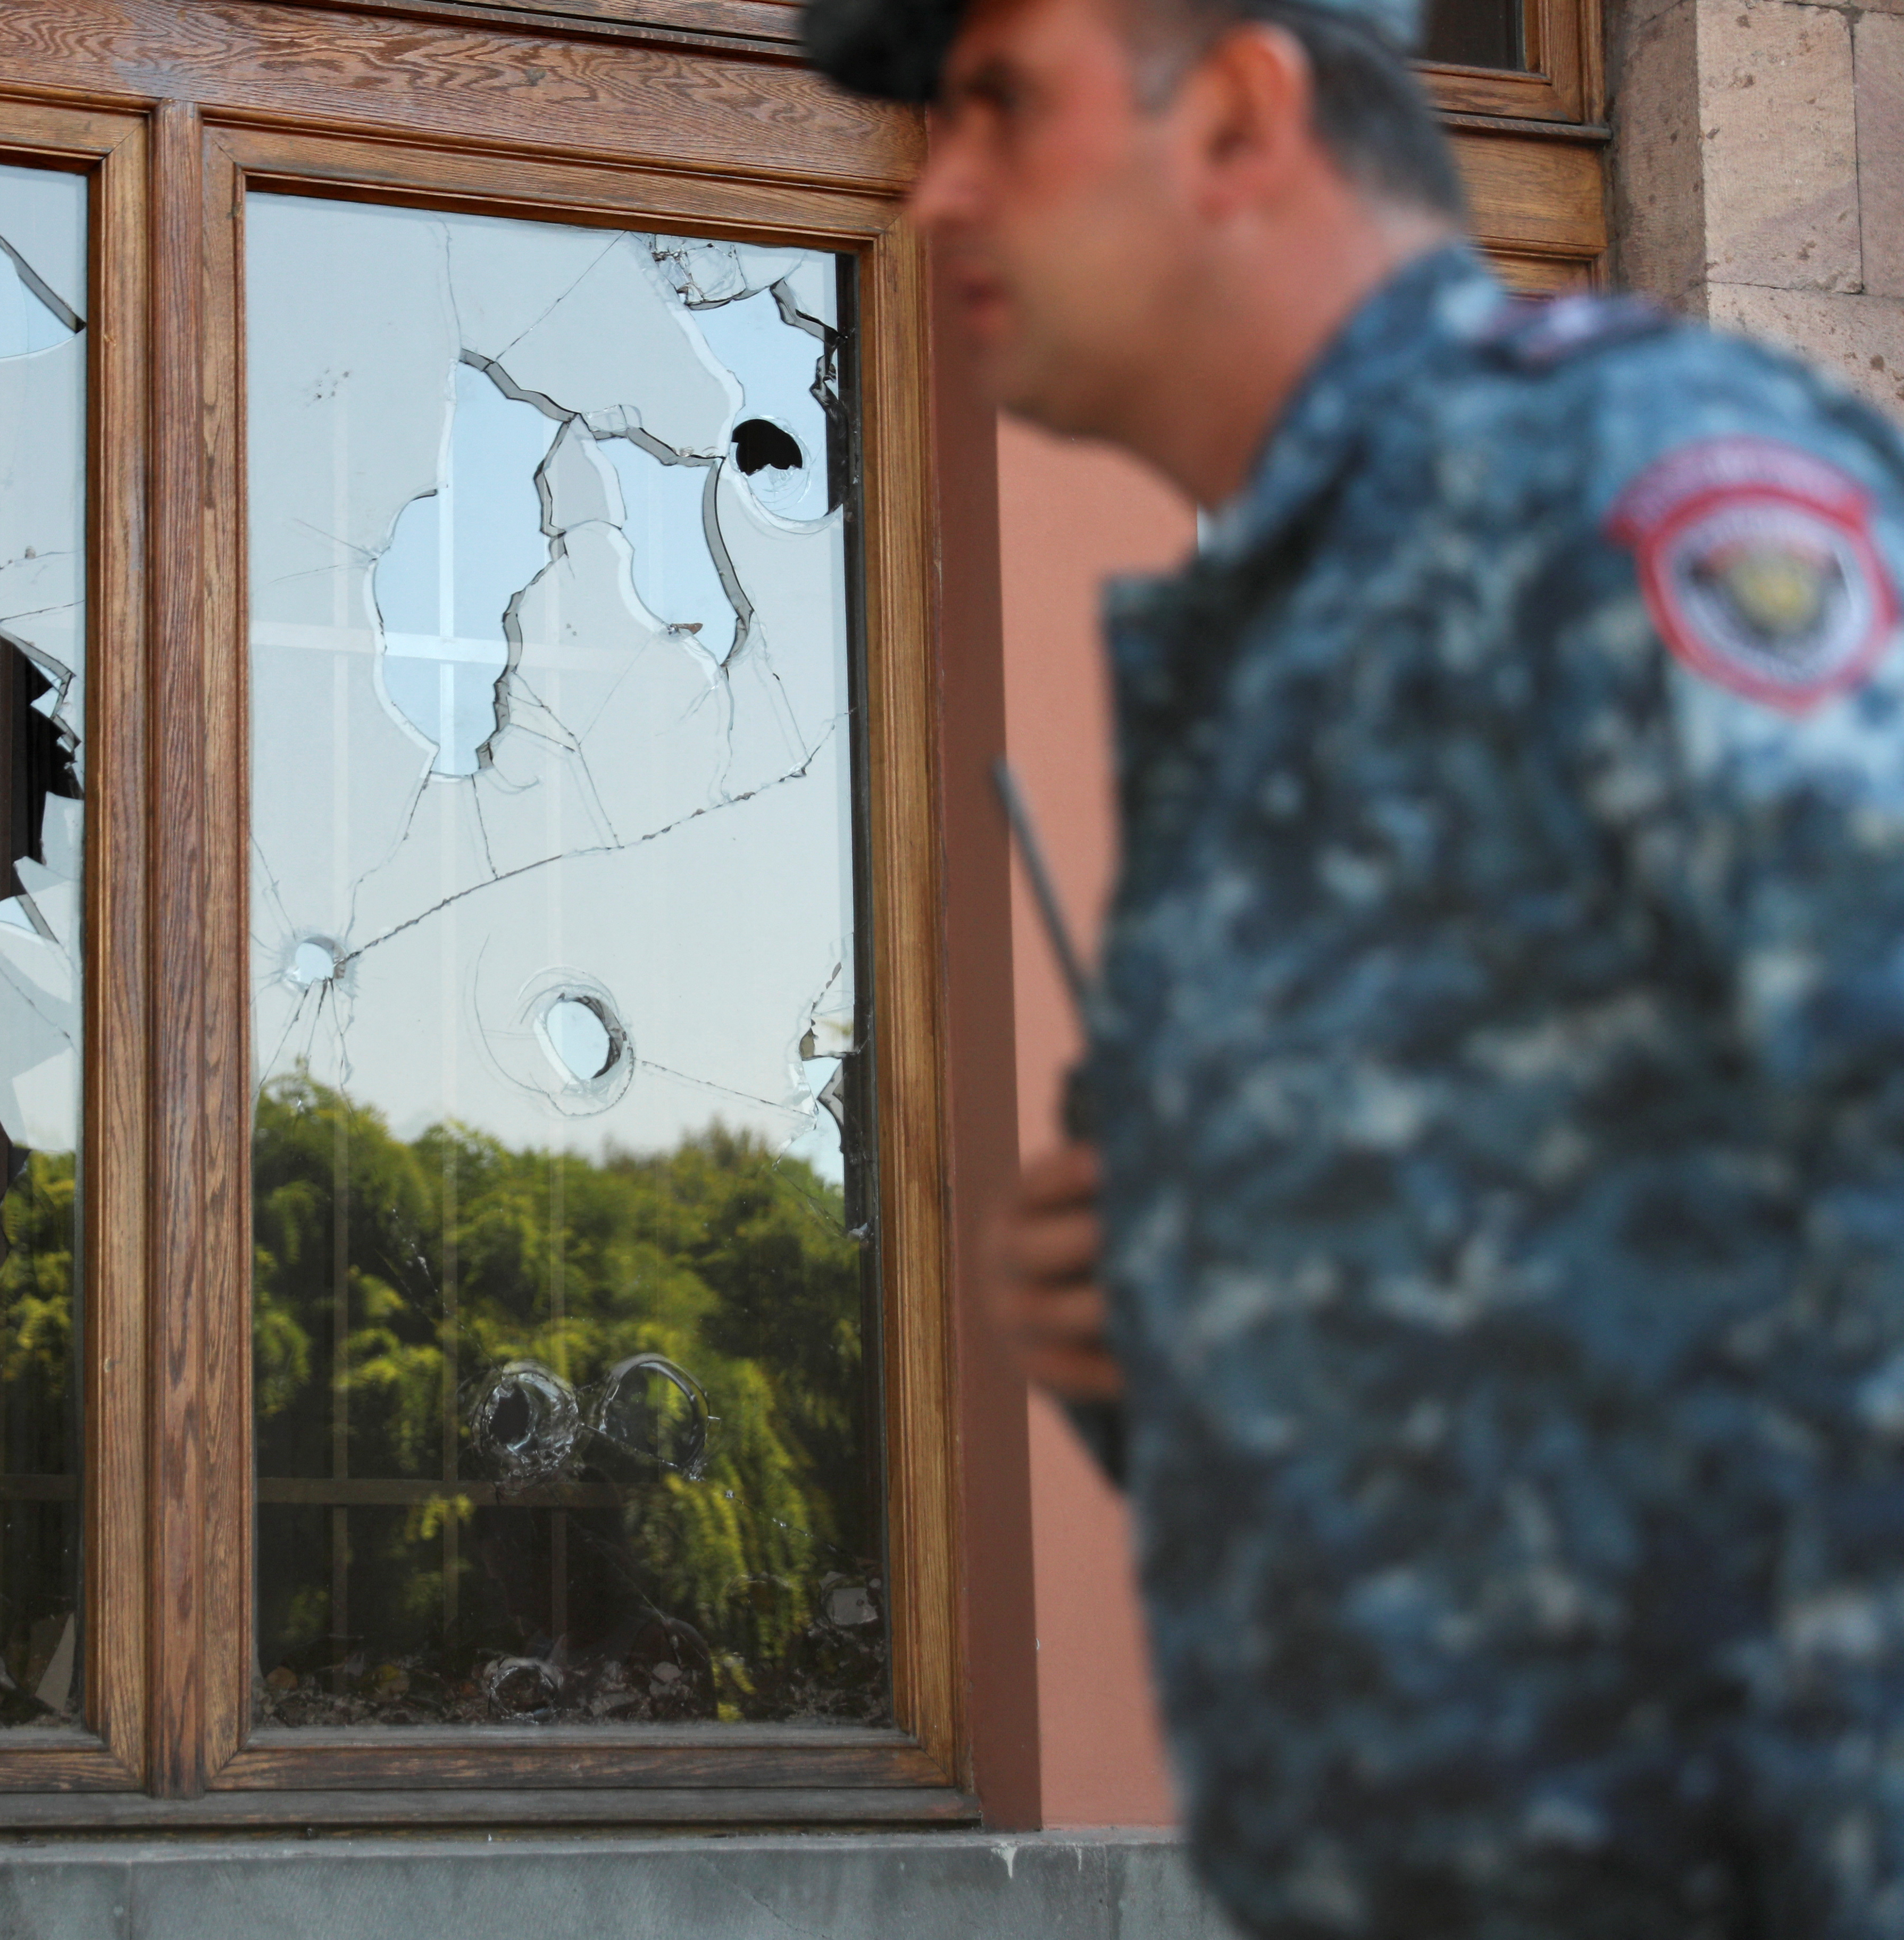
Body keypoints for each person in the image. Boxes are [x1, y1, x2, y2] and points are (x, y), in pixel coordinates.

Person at [800, 0, 1904, 1929]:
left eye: (999, 107)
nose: (943, 185)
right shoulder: (1299, 616)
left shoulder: (1630, 484)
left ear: (1236, 115)